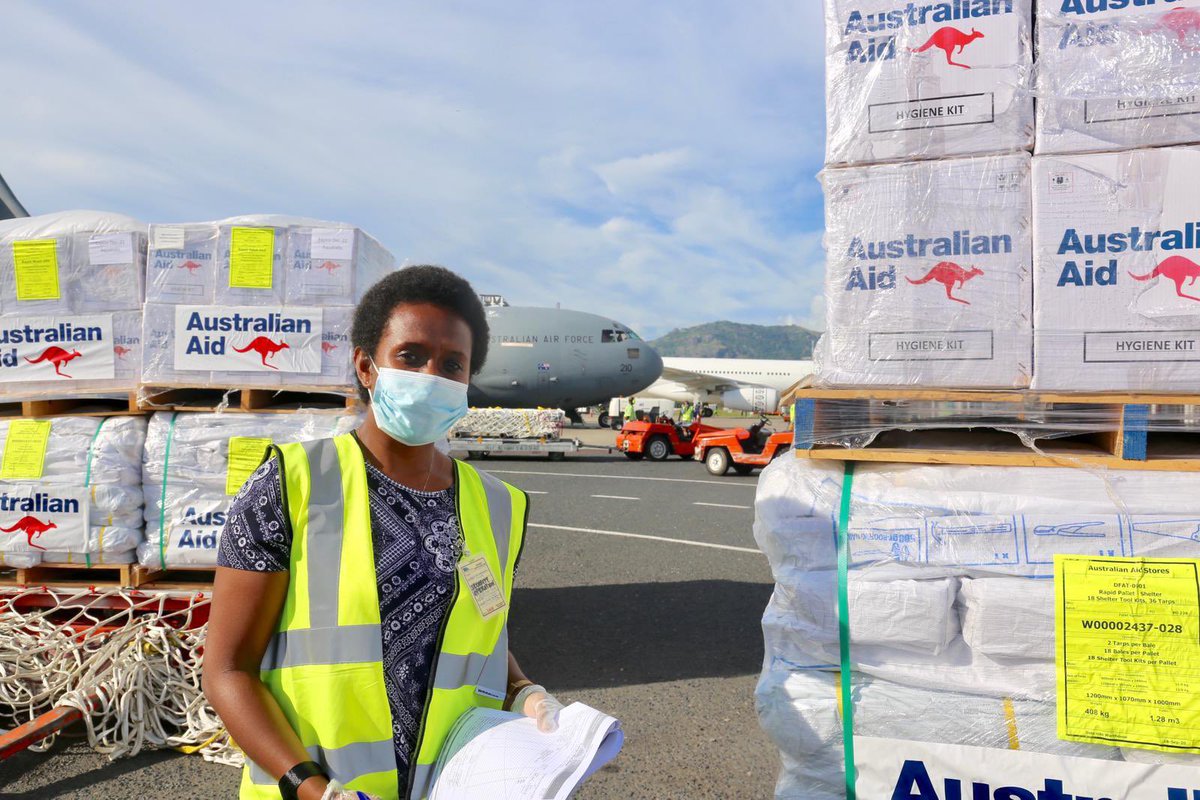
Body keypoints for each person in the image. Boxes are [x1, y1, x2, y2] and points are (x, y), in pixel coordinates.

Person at [204, 266, 562, 800]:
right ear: (366, 366)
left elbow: (479, 633)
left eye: (452, 365)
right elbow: (228, 670)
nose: (430, 375)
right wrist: (310, 787)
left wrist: (523, 691)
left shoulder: (497, 506)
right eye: (411, 356)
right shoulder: (293, 483)